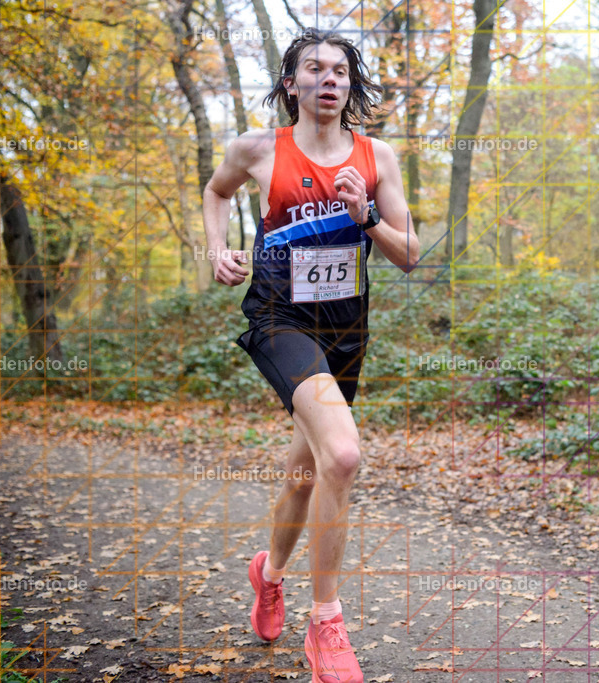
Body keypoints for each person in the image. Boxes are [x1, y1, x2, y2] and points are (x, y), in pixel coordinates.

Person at [202, 28, 418, 683]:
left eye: (340, 70)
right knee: (344, 455)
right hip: (281, 318)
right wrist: (216, 250)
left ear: (350, 86)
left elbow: (410, 254)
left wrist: (365, 215)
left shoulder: (376, 156)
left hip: (345, 330)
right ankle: (326, 624)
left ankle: (268, 577)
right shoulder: (258, 149)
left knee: (306, 473)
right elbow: (216, 193)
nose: (329, 78)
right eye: (314, 68)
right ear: (291, 83)